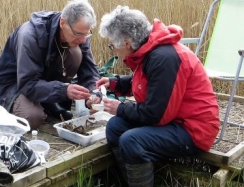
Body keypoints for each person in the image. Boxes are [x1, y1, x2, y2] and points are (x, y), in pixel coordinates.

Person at [93, 5, 220, 187]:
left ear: (127, 42)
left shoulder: (165, 58)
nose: (113, 50)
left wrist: (120, 108)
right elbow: (148, 83)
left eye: (112, 45)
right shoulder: (152, 50)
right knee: (115, 127)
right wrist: (115, 83)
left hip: (194, 129)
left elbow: (156, 115)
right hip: (175, 120)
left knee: (131, 140)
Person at [0, 0, 100, 130]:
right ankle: (29, 104)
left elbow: (90, 71)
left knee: (76, 53)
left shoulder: (79, 32)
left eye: (86, 34)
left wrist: (93, 94)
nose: (82, 39)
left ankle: (47, 102)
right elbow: (27, 84)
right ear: (63, 22)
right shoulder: (30, 36)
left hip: (41, 82)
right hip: (15, 86)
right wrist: (63, 90)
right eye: (78, 34)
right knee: (32, 118)